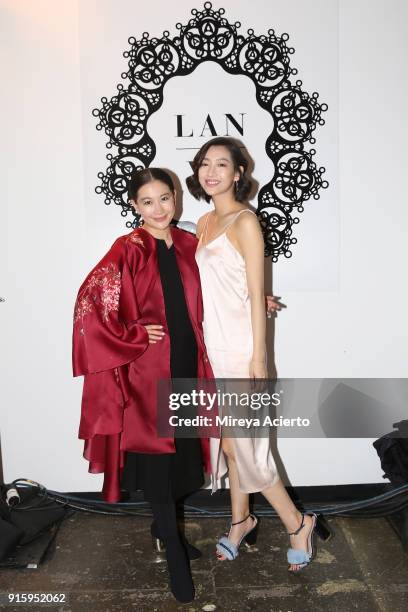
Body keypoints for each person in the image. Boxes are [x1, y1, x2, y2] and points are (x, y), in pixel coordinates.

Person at [188, 137, 331, 572]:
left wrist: (260, 357)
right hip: (213, 348)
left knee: (248, 451)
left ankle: (297, 522)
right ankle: (240, 521)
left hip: (240, 351)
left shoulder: (245, 221)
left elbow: (254, 291)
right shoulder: (204, 222)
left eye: (222, 164)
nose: (211, 171)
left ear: (238, 174)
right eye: (204, 164)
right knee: (233, 447)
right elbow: (221, 285)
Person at [72, 168, 215, 603]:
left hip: (189, 365)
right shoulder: (127, 249)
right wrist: (132, 336)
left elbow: (218, 288)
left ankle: (161, 527)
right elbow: (89, 304)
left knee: (185, 455)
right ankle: (174, 553)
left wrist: (255, 299)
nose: (158, 209)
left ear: (176, 200)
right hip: (149, 372)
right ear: (135, 205)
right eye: (148, 201)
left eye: (165, 198)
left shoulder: (191, 244)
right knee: (157, 459)